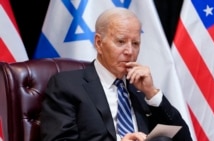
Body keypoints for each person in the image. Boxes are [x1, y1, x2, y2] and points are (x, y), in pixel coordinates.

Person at [40, 7, 192, 141]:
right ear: (99, 43)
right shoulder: (67, 85)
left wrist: (152, 93)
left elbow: (182, 138)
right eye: (120, 42)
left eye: (135, 43)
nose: (129, 51)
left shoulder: (139, 90)